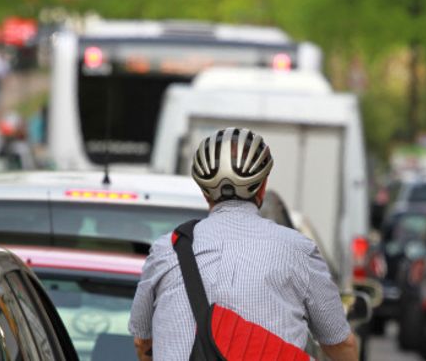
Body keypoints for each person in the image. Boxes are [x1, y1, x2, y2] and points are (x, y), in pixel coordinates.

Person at [129, 127, 358, 360]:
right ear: (263, 185)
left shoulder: (166, 251)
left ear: (204, 190)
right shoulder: (297, 250)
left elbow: (142, 342)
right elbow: (341, 345)